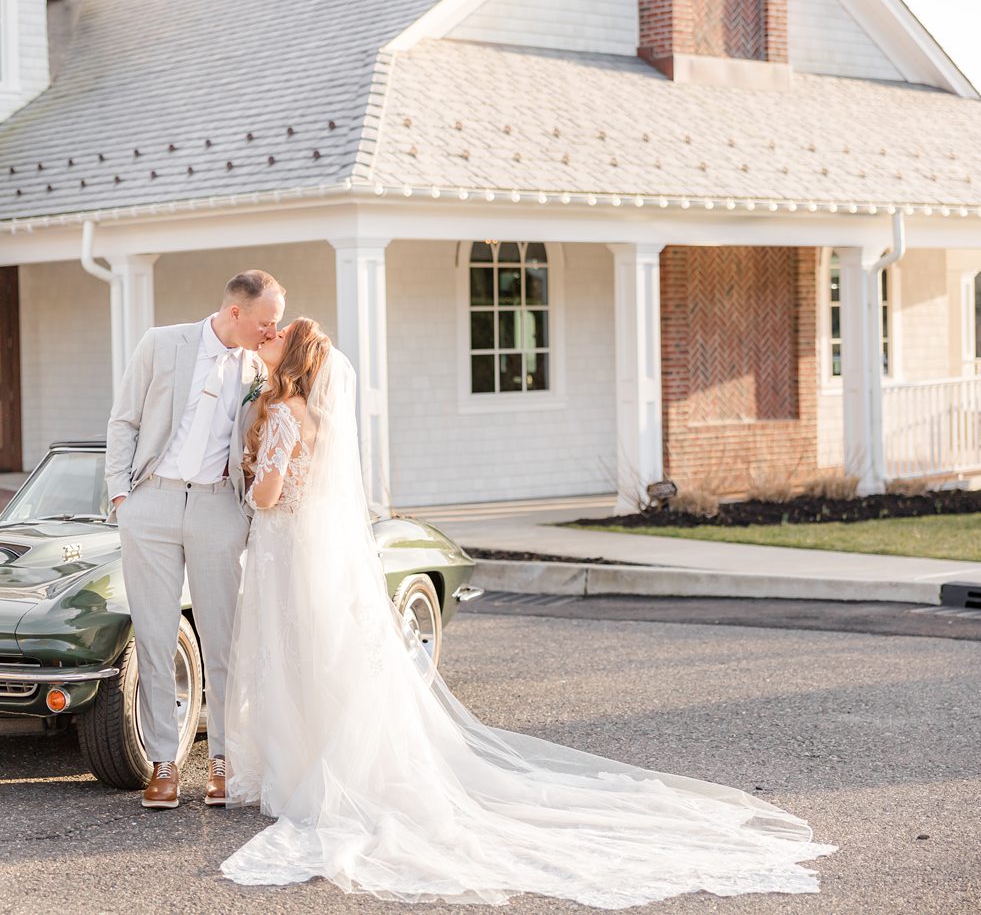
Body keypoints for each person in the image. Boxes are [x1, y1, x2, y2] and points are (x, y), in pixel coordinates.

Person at [220, 317, 835, 908]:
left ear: (294, 359)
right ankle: (311, 765)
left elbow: (271, 493)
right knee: (320, 657)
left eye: (278, 334)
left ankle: (298, 770)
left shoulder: (281, 412)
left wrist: (245, 487)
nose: (268, 338)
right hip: (311, 552)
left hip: (285, 547)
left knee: (293, 654)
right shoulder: (317, 418)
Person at [104, 270, 283, 809]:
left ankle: (223, 763)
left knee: (223, 641)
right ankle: (164, 765)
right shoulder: (161, 344)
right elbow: (124, 421)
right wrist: (121, 498)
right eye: (265, 321)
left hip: (217, 508)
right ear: (236, 313)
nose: (272, 331)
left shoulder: (259, 367)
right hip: (150, 505)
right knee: (156, 641)